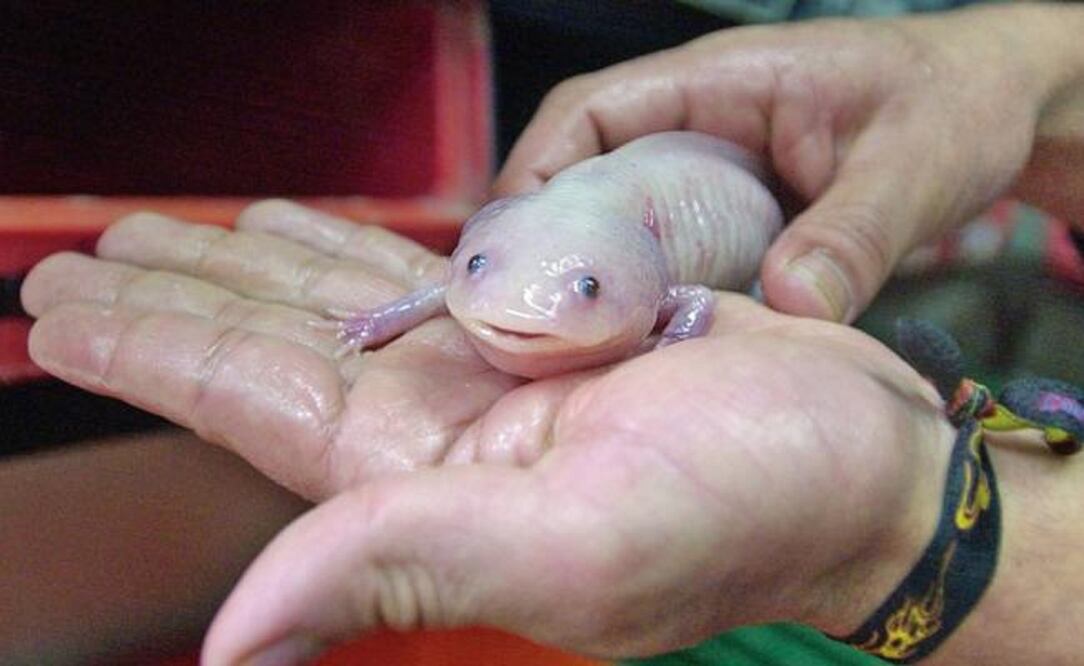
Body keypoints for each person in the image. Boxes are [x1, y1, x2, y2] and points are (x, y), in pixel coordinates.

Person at [18, 3, 1084, 664]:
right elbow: (444, 291)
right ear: (469, 247)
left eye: (578, 294)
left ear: (650, 287)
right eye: (476, 271)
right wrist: (1038, 64)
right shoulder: (484, 269)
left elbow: (697, 305)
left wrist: (894, 510)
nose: (512, 313)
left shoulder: (676, 288)